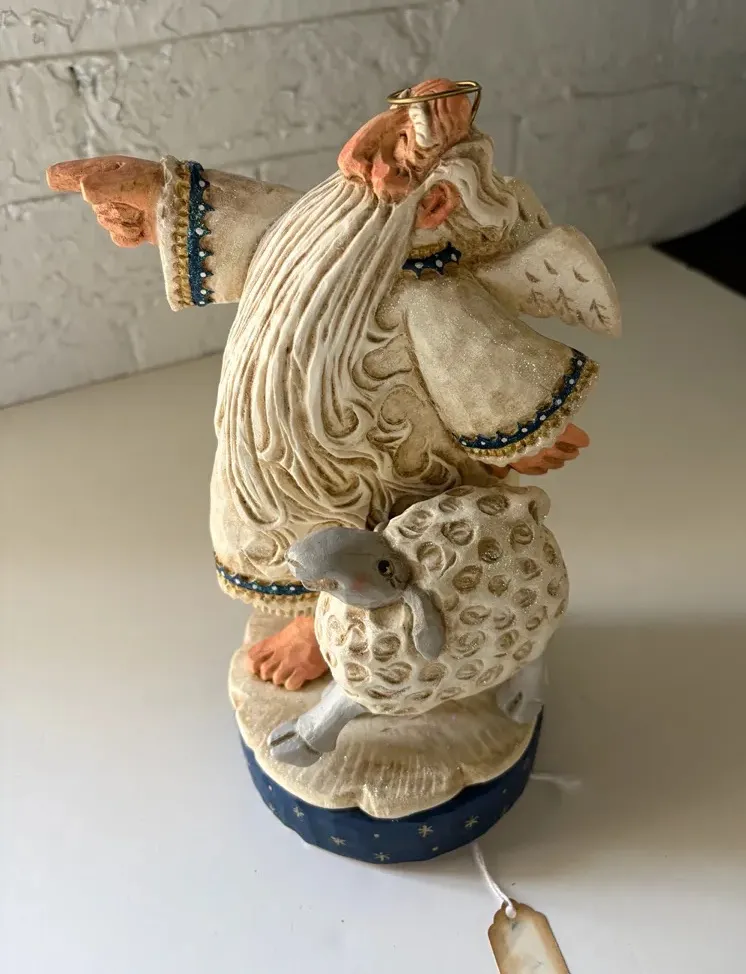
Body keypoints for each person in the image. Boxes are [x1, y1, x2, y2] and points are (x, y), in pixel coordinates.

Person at [47, 78, 620, 692]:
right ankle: (313, 610)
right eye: (374, 156)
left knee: (377, 552)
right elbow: (251, 219)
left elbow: (480, 363)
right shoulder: (320, 231)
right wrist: (154, 192)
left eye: (395, 166)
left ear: (434, 207)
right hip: (275, 456)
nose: (370, 171)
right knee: (290, 533)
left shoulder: (428, 294)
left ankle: (338, 633)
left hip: (388, 472)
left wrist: (525, 430)